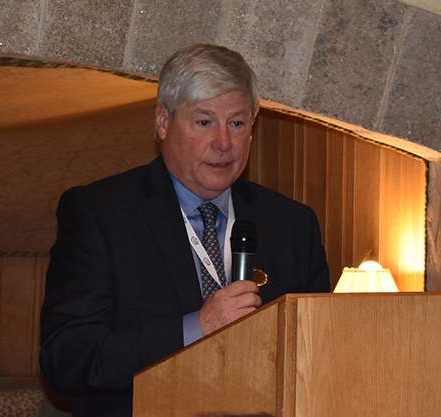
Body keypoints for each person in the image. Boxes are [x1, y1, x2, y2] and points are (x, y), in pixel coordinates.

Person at [40, 44, 330, 417]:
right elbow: (67, 358)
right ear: (163, 123)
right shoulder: (101, 214)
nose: (224, 143)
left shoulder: (293, 224)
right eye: (205, 122)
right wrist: (198, 327)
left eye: (237, 123)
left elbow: (320, 356)